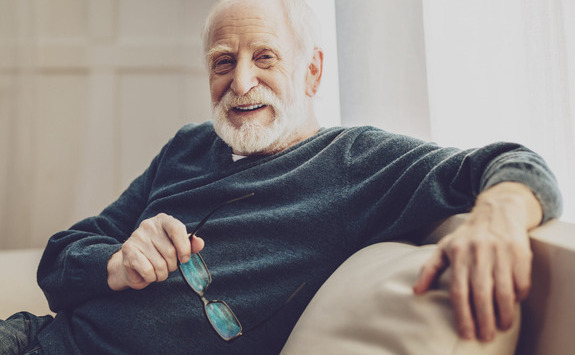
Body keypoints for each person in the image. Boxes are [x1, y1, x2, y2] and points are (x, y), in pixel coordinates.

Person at [0, 0, 562, 354]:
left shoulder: (351, 163)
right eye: (224, 62)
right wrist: (116, 263)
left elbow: (512, 162)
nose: (241, 83)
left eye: (264, 58)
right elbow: (57, 260)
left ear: (311, 70)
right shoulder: (189, 146)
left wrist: (497, 219)